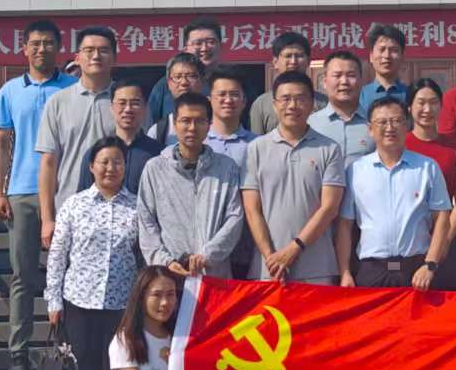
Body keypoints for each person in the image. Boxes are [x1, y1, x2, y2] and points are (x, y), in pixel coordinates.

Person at [46, 137, 141, 370]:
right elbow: (58, 255)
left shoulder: (136, 207)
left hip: (120, 308)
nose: (110, 168)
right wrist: (53, 299)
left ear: (125, 167)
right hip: (79, 304)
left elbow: (142, 256)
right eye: (104, 162)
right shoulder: (74, 205)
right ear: (91, 166)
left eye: (117, 162)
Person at [0, 20, 77, 370]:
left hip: (67, 190)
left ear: (59, 47)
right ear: (24, 48)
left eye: (48, 43)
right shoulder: (11, 90)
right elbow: (0, 143)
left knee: (72, 274)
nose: (41, 49)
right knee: (22, 275)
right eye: (35, 43)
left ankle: (70, 349)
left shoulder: (73, 88)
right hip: (23, 190)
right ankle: (19, 353)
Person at [334, 97, 451, 289]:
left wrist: (430, 264)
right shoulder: (356, 170)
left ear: (407, 126)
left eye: (396, 121)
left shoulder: (427, 167)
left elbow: (442, 219)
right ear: (370, 129)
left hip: (417, 271)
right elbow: (345, 225)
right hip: (371, 269)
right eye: (382, 122)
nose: (390, 128)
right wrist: (345, 272)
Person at [241, 70, 346, 284]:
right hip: (268, 268)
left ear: (311, 104)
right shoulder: (255, 149)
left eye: (300, 99)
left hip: (317, 268)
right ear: (274, 105)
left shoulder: (329, 148)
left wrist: (294, 248)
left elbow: (329, 208)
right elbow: (252, 210)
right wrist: (271, 257)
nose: (292, 105)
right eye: (285, 99)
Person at [136, 91, 245, 278]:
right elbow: (146, 221)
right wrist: (165, 261)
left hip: (213, 275)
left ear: (209, 124)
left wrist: (207, 255)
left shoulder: (226, 168)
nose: (192, 128)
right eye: (185, 121)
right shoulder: (155, 168)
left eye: (200, 121)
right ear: (175, 123)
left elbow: (234, 218)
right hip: (169, 276)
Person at [37, 26, 119, 253]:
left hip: (118, 209)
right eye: (89, 50)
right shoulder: (58, 102)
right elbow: (48, 163)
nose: (96, 56)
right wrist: (47, 218)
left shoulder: (126, 101)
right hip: (68, 207)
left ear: (114, 57)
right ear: (77, 57)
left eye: (103, 50)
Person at [404, 78, 456, 289]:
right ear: (409, 107)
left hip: (447, 234)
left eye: (433, 103)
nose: (427, 109)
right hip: (410, 239)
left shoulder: (454, 145)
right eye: (421, 102)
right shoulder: (401, 144)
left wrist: (445, 239)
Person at [205, 66, 258, 278]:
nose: (228, 100)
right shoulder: (198, 144)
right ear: (210, 99)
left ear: (244, 101)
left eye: (234, 94)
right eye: (222, 94)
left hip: (247, 243)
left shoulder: (258, 145)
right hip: (206, 243)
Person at [80, 77, 160, 197]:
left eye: (135, 103)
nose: (128, 109)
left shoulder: (158, 154)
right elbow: (83, 199)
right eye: (122, 103)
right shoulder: (96, 153)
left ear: (145, 108)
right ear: (112, 108)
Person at [145, 18, 224, 126]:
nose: (205, 48)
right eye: (198, 43)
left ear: (220, 46)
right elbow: (150, 124)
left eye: (211, 42)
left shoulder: (230, 83)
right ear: (186, 48)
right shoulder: (166, 85)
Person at [247, 31, 320, 135]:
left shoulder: (323, 103)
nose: (293, 61)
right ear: (275, 62)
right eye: (288, 56)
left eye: (299, 56)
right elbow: (257, 140)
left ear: (308, 61)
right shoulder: (261, 104)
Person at [309, 49, 373, 162]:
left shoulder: (375, 124)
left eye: (351, 75)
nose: (344, 81)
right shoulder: (310, 124)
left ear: (361, 81)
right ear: (324, 82)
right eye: (337, 75)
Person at [144, 53, 205, 148]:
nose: (184, 82)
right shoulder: (158, 131)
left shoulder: (216, 125)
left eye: (191, 76)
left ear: (202, 81)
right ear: (169, 83)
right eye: (177, 77)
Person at [358, 23, 410, 114]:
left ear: (402, 57)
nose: (387, 56)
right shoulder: (360, 96)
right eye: (382, 49)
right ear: (371, 56)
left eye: (394, 50)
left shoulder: (410, 94)